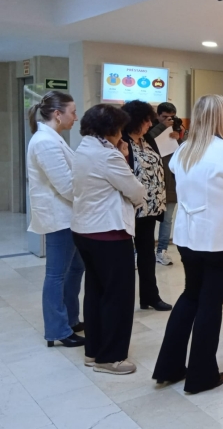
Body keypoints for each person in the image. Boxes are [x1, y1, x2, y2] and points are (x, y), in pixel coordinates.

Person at [153, 94, 223, 394]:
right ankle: (202, 375)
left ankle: (169, 368)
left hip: (188, 237)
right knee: (211, 303)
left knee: (191, 296)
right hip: (220, 239)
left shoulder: (184, 150)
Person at [71, 104, 146, 375]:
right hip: (110, 234)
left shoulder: (83, 148)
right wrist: (122, 158)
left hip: (84, 230)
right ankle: (111, 357)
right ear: (113, 130)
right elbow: (136, 191)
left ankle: (94, 351)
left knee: (95, 292)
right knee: (118, 297)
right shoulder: (108, 156)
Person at [26, 91, 85, 348]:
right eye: (72, 112)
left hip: (69, 216)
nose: (76, 117)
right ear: (58, 114)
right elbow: (66, 186)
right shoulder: (45, 142)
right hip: (59, 217)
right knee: (56, 275)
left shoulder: (53, 139)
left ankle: (70, 319)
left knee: (76, 268)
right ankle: (57, 330)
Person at [121, 100, 172, 312]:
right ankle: (123, 299)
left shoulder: (147, 140)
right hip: (129, 207)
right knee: (125, 257)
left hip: (150, 207)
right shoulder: (121, 142)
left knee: (147, 254)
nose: (149, 125)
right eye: (146, 121)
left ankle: (150, 296)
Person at [146, 102, 183, 266]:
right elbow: (148, 141)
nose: (169, 120)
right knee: (148, 220)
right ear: (157, 116)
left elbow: (185, 150)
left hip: (171, 181)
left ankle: (161, 251)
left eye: (171, 117)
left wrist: (179, 135)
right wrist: (162, 127)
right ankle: (142, 252)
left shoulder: (179, 128)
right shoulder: (149, 128)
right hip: (153, 182)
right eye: (164, 117)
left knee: (167, 220)